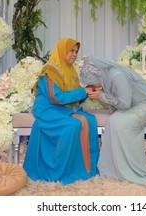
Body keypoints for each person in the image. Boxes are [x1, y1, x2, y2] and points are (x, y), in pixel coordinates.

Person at [79, 55, 146, 185]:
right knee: (112, 121)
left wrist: (101, 96)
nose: (92, 86)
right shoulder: (108, 77)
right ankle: (113, 169)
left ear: (98, 75)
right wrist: (101, 94)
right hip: (132, 107)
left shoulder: (116, 75)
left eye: (92, 82)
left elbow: (124, 104)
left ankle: (133, 170)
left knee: (122, 125)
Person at [23, 38, 99, 185]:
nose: (74, 54)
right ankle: (62, 170)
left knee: (89, 120)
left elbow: (74, 95)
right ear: (62, 50)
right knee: (72, 126)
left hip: (64, 108)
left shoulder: (70, 71)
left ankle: (85, 168)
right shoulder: (50, 71)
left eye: (76, 52)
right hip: (48, 109)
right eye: (71, 50)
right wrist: (83, 92)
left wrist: (89, 90)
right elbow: (56, 98)